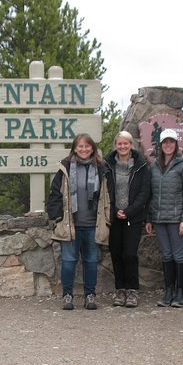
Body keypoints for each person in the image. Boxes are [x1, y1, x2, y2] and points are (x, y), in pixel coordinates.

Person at [47, 133, 110, 310]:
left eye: (87, 146)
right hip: (71, 224)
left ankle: (90, 295)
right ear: (74, 148)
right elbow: (54, 195)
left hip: (93, 224)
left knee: (91, 261)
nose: (84, 149)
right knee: (68, 261)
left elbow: (106, 196)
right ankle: (67, 295)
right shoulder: (65, 168)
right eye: (80, 146)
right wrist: (58, 217)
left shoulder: (101, 168)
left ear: (92, 148)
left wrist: (107, 218)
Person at [145, 128, 183, 307]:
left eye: (171, 142)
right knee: (166, 255)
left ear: (176, 145)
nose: (168, 145)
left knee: (178, 255)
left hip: (176, 219)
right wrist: (149, 219)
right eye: (165, 142)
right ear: (160, 145)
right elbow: (149, 194)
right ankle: (169, 291)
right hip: (159, 219)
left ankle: (181, 292)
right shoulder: (154, 167)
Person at [104, 131, 150, 308]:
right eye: (119, 144)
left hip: (133, 217)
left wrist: (129, 211)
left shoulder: (141, 165)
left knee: (130, 254)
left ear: (131, 145)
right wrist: (115, 210)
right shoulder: (108, 164)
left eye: (126, 144)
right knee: (116, 254)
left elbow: (144, 192)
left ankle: (132, 290)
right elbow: (105, 190)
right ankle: (120, 289)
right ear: (115, 145)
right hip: (114, 216)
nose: (122, 147)